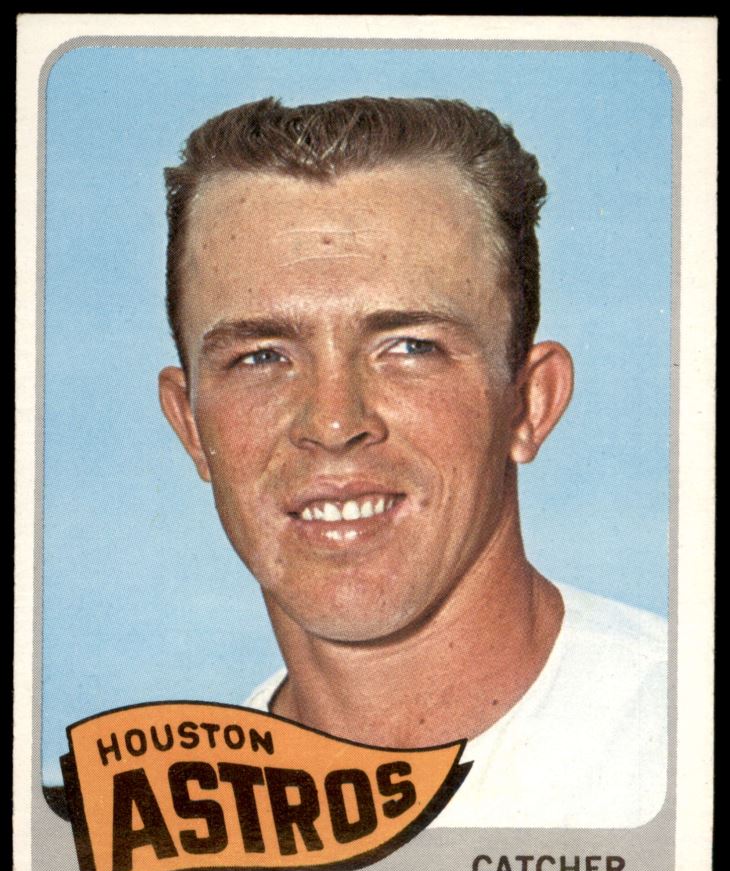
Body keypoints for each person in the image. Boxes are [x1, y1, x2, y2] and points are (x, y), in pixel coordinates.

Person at [159, 97, 667, 828]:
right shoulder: (176, 837)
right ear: (190, 425)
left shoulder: (676, 743)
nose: (333, 423)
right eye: (262, 357)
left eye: (409, 347)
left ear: (529, 402)